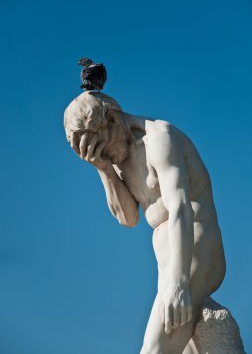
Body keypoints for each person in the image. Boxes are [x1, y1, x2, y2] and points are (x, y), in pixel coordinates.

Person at [64, 91, 226, 354]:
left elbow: (180, 208)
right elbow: (128, 218)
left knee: (153, 350)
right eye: (95, 153)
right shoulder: (115, 158)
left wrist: (179, 281)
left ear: (114, 120)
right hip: (168, 263)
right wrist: (102, 168)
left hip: (197, 247)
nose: (105, 155)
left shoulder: (160, 139)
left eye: (101, 147)